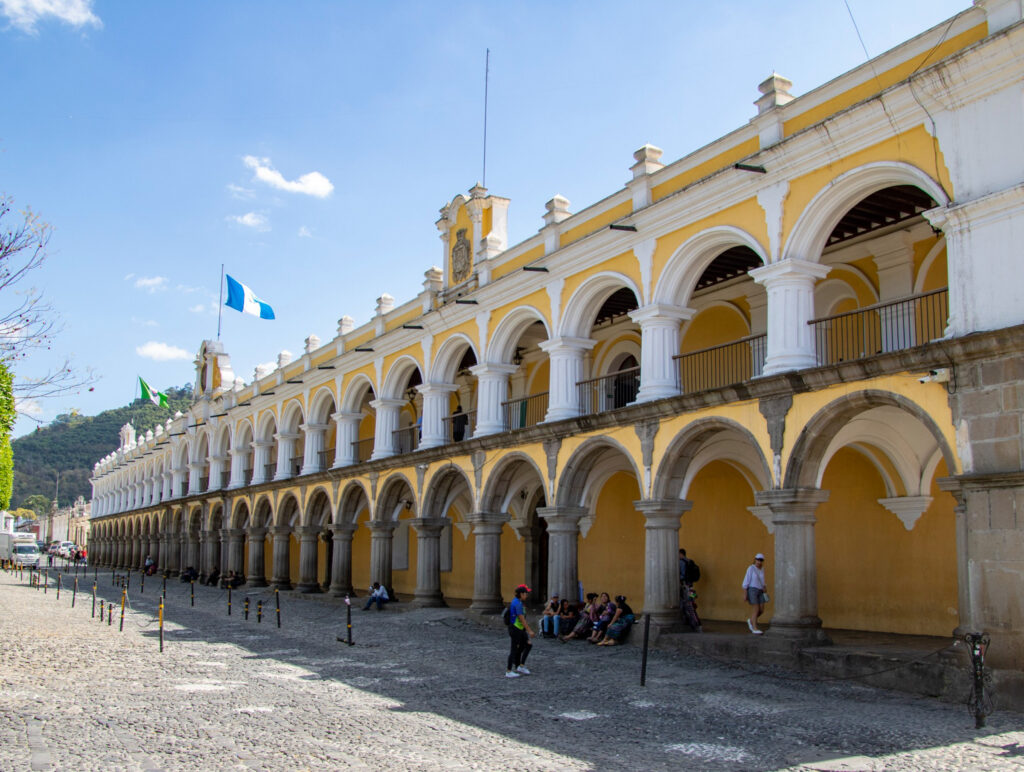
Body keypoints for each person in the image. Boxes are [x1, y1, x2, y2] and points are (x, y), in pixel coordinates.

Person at [505, 584, 535, 678]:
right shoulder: (517, 603)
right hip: (516, 629)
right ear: (521, 594)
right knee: (514, 649)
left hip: (520, 629)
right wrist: (529, 631)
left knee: (528, 645)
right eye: (526, 593)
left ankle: (520, 666)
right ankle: (509, 671)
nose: (527, 595)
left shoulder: (518, 602)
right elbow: (522, 619)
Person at [742, 553, 768, 634]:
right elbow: (746, 580)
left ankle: (751, 620)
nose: (759, 561)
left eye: (760, 560)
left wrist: (764, 586)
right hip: (752, 589)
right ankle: (754, 628)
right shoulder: (751, 568)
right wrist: (745, 593)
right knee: (756, 609)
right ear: (755, 559)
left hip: (760, 590)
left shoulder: (762, 569)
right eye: (757, 559)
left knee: (761, 610)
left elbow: (762, 579)